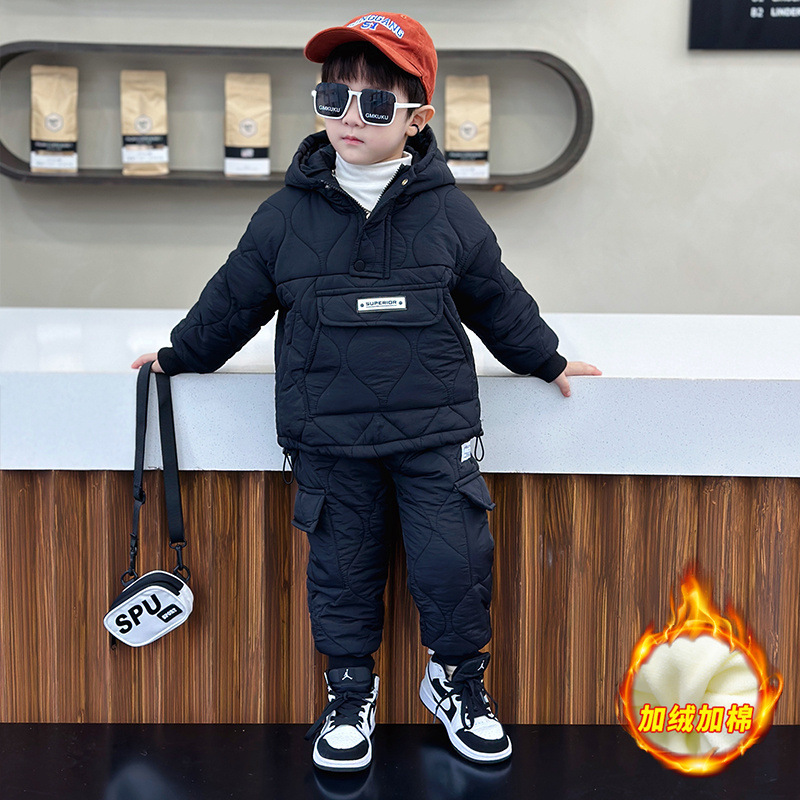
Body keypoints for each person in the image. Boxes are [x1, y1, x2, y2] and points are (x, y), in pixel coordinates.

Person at [132, 11, 601, 773]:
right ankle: (350, 693)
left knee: (454, 563)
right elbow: (234, 299)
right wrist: (180, 355)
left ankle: (457, 682)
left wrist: (546, 360)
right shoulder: (284, 216)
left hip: (434, 431)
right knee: (342, 572)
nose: (351, 116)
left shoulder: (448, 211)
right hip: (330, 436)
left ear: (417, 119)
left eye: (376, 104)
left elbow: (494, 296)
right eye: (334, 98)